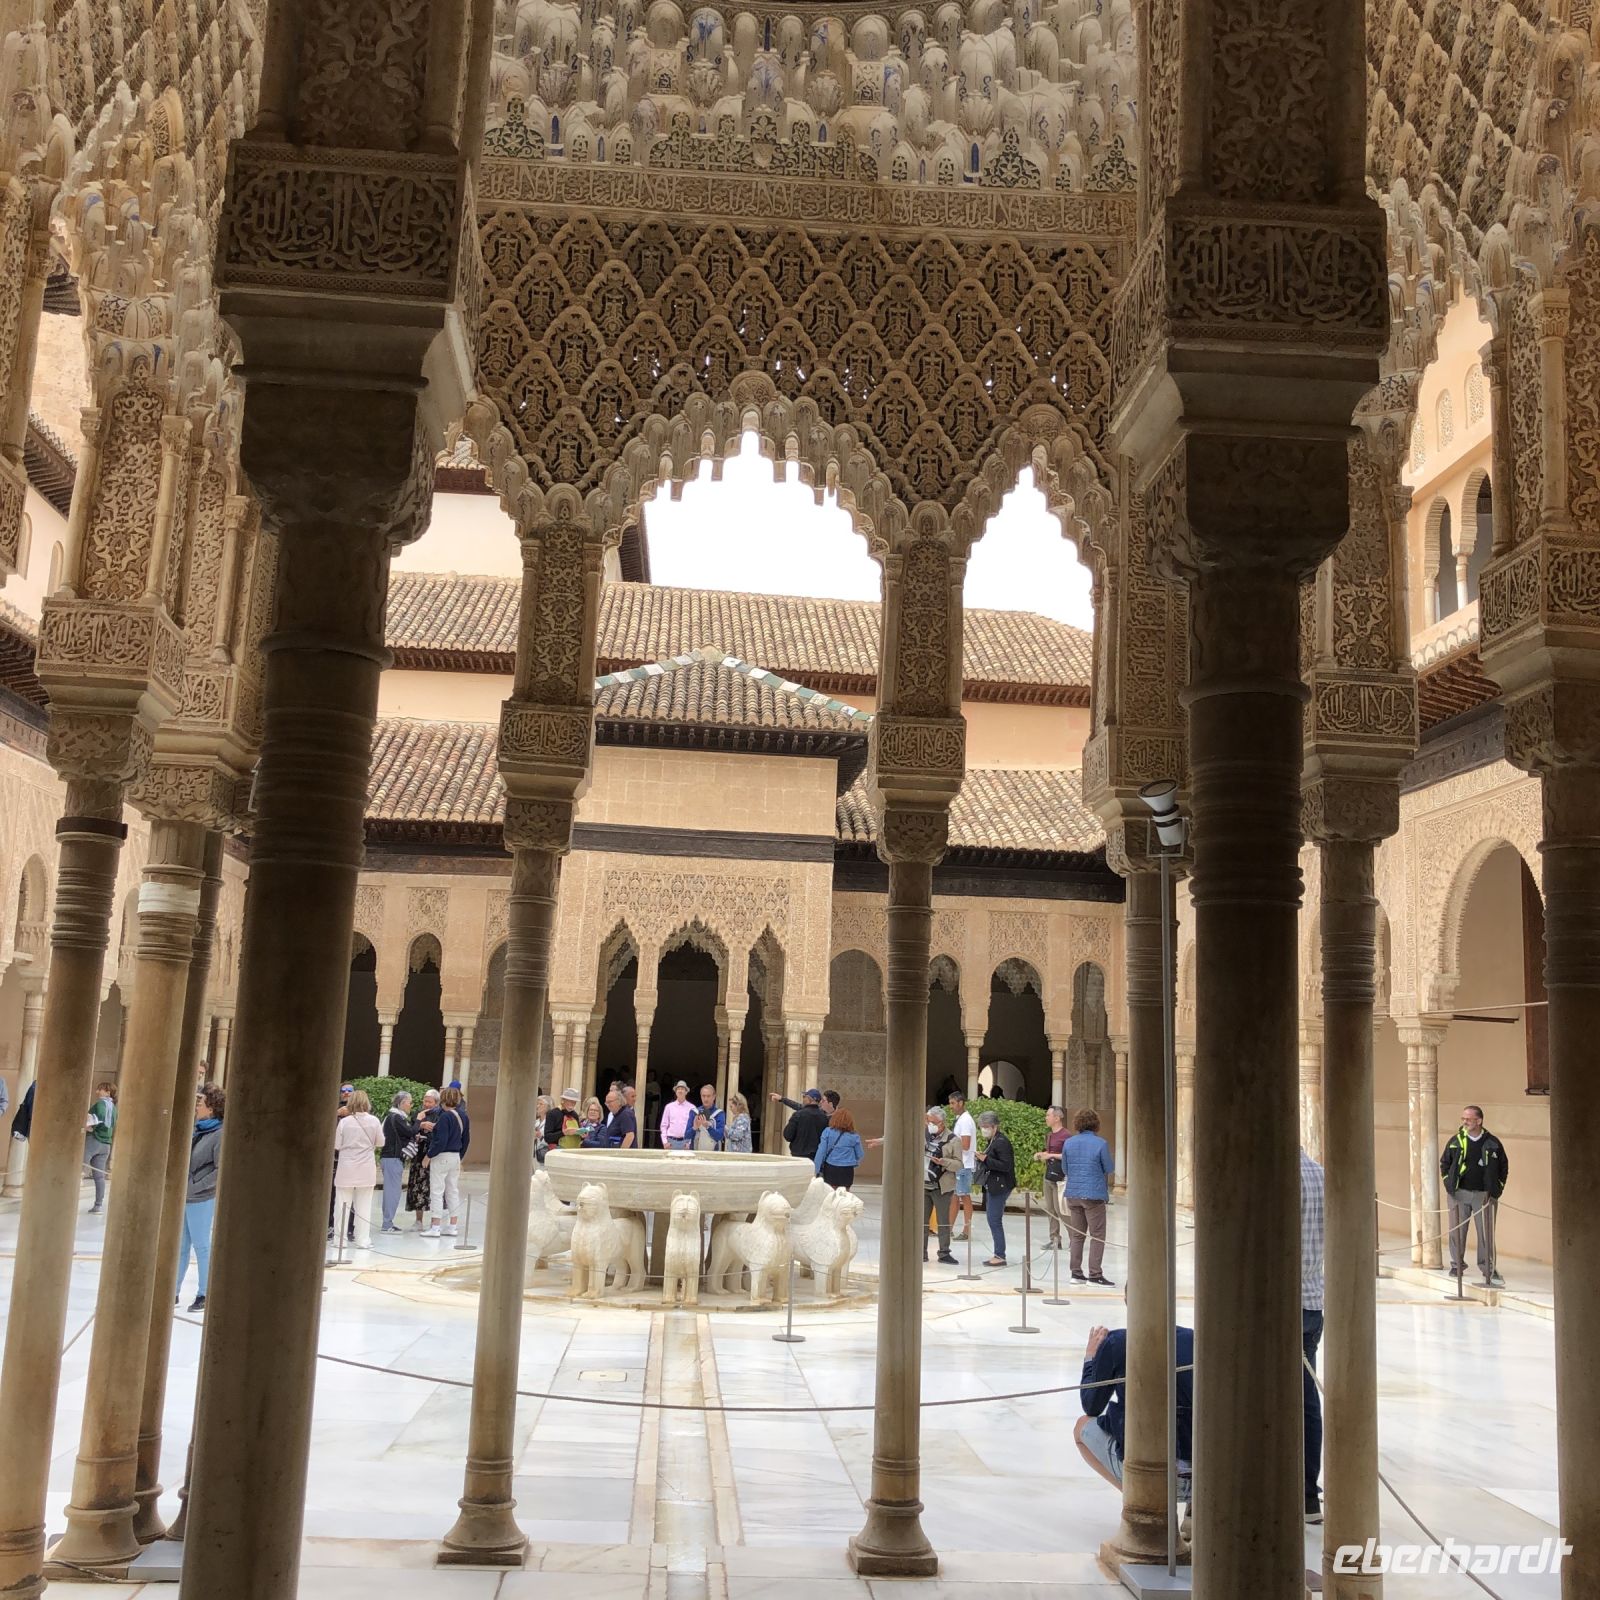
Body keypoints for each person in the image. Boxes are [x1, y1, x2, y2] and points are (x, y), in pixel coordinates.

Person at [1075, 1319, 1194, 1504]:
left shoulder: (1118, 1342)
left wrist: (1090, 1358)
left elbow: (1091, 1405)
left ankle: (1140, 1506)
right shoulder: (1195, 1338)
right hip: (1207, 1479)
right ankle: (1192, 1515)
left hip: (1153, 1478)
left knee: (1081, 1427)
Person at [1440, 1104, 1509, 1287]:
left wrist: (1497, 1189)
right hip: (1459, 1193)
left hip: (1484, 1195)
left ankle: (1488, 1268)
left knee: (1485, 1233)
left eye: (1468, 1119)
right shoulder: (1456, 1141)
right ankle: (1456, 1265)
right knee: (1457, 1230)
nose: (1464, 1122)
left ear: (1479, 1121)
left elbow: (1503, 1167)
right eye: (1463, 1118)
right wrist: (1449, 1184)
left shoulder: (1492, 1142)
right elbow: (1444, 1163)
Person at [177, 1084, 224, 1312]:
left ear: (212, 1108)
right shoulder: (197, 1129)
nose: (197, 1106)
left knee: (201, 1246)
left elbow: (219, 1169)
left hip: (202, 1197)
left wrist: (196, 1186)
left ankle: (204, 1293)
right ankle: (173, 1291)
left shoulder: (219, 1133)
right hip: (185, 1195)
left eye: (201, 1103)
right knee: (181, 1246)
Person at [1300, 1147, 1326, 1524]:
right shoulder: (1320, 1174)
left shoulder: (1263, 1177)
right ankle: (1307, 1497)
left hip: (1271, 1305)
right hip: (1311, 1301)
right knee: (1306, 1401)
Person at [1062, 1108, 1115, 1286]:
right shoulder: (1101, 1143)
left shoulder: (1069, 1143)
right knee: (1097, 1235)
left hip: (1073, 1193)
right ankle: (1095, 1274)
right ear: (1096, 1124)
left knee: (1077, 1236)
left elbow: (1065, 1169)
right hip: (1093, 1194)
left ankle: (1076, 1273)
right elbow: (1109, 1167)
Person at [333, 1089, 382, 1248]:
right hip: (366, 1167)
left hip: (346, 1166)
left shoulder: (344, 1122)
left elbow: (337, 1145)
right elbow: (380, 1142)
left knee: (341, 1204)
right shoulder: (374, 1121)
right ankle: (362, 1240)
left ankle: (339, 1240)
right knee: (364, 1206)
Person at [423, 1085, 469, 1237]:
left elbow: (440, 1141)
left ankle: (435, 1227)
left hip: (441, 1156)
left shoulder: (445, 1117)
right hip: (455, 1156)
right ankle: (452, 1226)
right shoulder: (463, 1116)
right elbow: (466, 1140)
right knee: (452, 1191)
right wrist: (459, 1156)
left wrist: (428, 1155)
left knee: (437, 1191)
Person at [975, 1110, 1015, 1266]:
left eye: (986, 1126)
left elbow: (1006, 1165)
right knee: (993, 1218)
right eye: (982, 1126)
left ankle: (1000, 1254)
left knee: (994, 1219)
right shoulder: (993, 1140)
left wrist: (985, 1159)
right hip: (994, 1183)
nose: (983, 1129)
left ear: (994, 1126)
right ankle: (999, 1253)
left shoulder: (1001, 1142)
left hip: (1001, 1185)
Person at [923, 1108, 962, 1263]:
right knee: (922, 1221)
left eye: (932, 1122)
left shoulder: (953, 1140)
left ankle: (944, 1252)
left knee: (943, 1221)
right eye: (928, 1121)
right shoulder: (923, 1135)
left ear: (941, 1122)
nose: (929, 1124)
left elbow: (959, 1164)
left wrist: (943, 1162)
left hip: (942, 1186)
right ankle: (921, 1252)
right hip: (924, 1184)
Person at [1035, 1104, 1070, 1249]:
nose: (1046, 1118)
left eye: (1048, 1115)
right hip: (1049, 1174)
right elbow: (1050, 1153)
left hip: (1060, 1177)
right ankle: (1055, 1239)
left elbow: (1067, 1156)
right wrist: (1042, 1155)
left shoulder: (1066, 1135)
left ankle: (1075, 1237)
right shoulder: (1049, 1135)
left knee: (1061, 1209)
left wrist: (1050, 1155)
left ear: (1057, 1118)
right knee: (1051, 1209)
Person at [379, 1091, 414, 1233]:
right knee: (392, 1192)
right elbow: (410, 1132)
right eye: (409, 1102)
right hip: (392, 1158)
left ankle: (387, 1222)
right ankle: (387, 1224)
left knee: (391, 1191)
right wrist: (419, 1121)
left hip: (389, 1158)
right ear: (401, 1103)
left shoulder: (391, 1117)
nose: (410, 1105)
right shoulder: (397, 1118)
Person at [406, 1089, 438, 1229]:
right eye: (425, 1101)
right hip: (418, 1155)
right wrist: (420, 1125)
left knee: (434, 1189)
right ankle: (418, 1220)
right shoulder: (417, 1115)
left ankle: (435, 1221)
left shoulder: (440, 1115)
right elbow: (411, 1131)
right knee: (418, 1187)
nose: (426, 1104)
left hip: (432, 1155)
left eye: (429, 1102)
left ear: (436, 1103)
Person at [949, 1091, 977, 1241]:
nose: (951, 1106)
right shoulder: (960, 1119)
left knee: (964, 1196)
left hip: (964, 1165)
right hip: (958, 1164)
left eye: (953, 1103)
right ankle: (949, 1228)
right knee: (955, 1197)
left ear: (960, 1103)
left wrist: (951, 1148)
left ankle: (966, 1230)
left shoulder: (965, 1121)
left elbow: (965, 1145)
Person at [84, 1081, 116, 1212]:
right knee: (99, 1176)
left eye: (100, 1089)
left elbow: (93, 1119)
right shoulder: (114, 1108)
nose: (97, 1092)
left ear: (108, 1092)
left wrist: (90, 1128)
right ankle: (98, 1205)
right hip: (106, 1144)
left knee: (78, 1170)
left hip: (94, 1141)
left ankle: (67, 1202)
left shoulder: (100, 1104)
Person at [771, 1086, 829, 1160]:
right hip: (816, 1155)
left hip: (798, 1155)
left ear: (809, 1099)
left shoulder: (798, 1115)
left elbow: (788, 1135)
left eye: (804, 1096)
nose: (803, 1098)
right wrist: (782, 1099)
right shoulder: (824, 1117)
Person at [814, 1108, 864, 1188]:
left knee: (831, 1193)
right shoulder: (854, 1136)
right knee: (845, 1194)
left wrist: (816, 1169)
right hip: (847, 1169)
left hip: (831, 1167)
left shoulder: (827, 1132)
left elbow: (821, 1151)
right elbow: (860, 1154)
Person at [660, 1080, 696, 1149]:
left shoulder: (692, 1108)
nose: (680, 1091)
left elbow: (694, 1127)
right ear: (675, 1092)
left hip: (686, 1142)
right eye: (678, 1089)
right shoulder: (669, 1107)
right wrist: (665, 1142)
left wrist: (690, 1142)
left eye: (682, 1089)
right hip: (671, 1141)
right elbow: (664, 1125)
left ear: (686, 1092)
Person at [693, 1083, 725, 1150]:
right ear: (700, 1096)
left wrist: (708, 1126)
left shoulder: (719, 1114)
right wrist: (695, 1127)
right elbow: (687, 1135)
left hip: (713, 1152)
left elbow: (720, 1136)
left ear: (714, 1097)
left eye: (708, 1096)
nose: (706, 1099)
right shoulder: (694, 1112)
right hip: (697, 1151)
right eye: (703, 1096)